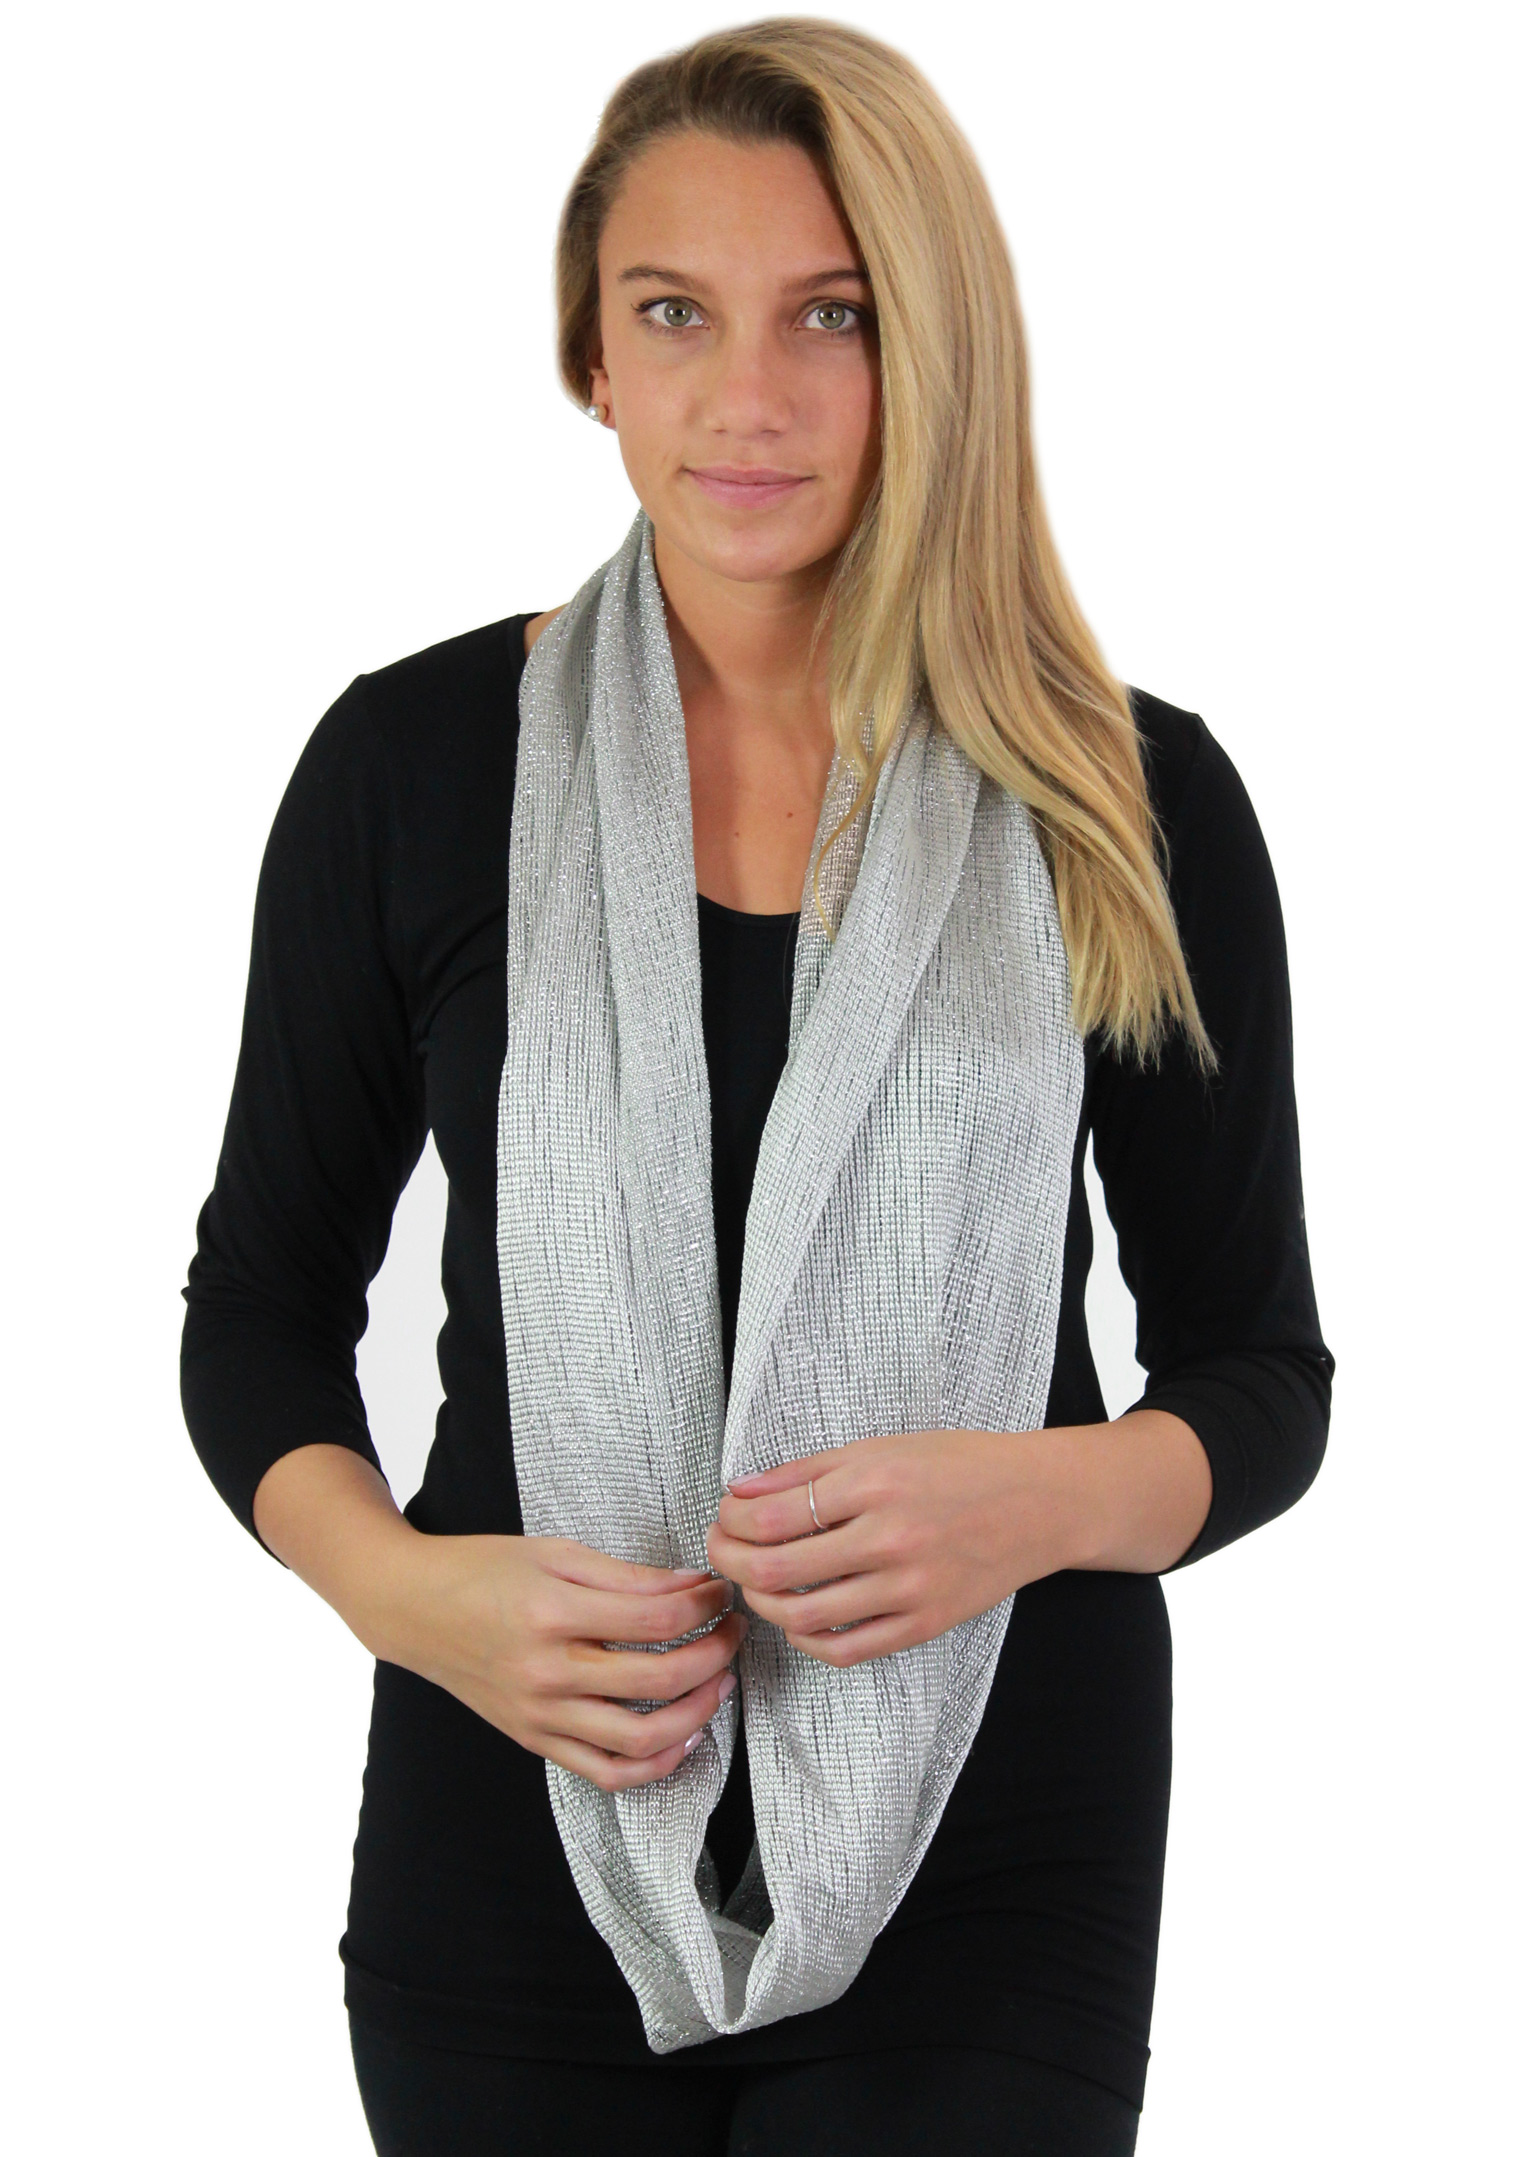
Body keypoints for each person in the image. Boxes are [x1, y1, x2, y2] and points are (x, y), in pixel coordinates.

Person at [180, 20, 1332, 2155]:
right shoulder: (410, 769)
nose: (747, 397)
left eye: (833, 314)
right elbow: (256, 1310)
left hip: (995, 1830)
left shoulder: (1128, 799)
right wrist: (417, 1599)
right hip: (513, 1799)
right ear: (589, 357)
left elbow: (1259, 1374)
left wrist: (1036, 1500)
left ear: (933, 350)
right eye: (673, 313)